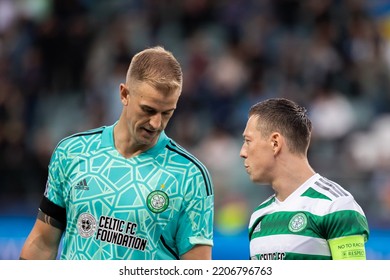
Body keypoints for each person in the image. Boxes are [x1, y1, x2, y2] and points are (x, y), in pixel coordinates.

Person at [20, 46, 214, 260]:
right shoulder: (73, 153)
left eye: (167, 113)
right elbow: (42, 243)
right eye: (148, 110)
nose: (156, 123)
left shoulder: (190, 175)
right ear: (124, 94)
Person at [240, 97, 369, 260]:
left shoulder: (336, 206)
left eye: (248, 141)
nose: (243, 152)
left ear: (275, 143)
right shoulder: (259, 215)